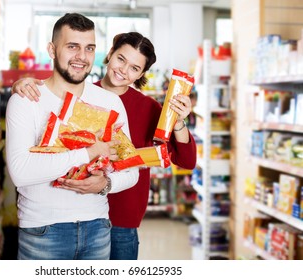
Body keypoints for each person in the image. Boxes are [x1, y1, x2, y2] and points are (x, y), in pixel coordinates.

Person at [12, 32, 197, 260]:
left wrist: (178, 123)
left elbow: (186, 161)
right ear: (110, 54)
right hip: (80, 214)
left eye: (134, 68)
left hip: (122, 220)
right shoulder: (79, 93)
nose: (123, 70)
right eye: (121, 59)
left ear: (141, 74)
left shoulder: (149, 108)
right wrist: (24, 84)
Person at [5, 13, 139, 260]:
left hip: (98, 227)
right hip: (42, 230)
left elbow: (131, 171)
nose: (81, 56)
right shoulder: (26, 100)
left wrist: (106, 185)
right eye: (72, 47)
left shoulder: (110, 102)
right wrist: (88, 153)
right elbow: (20, 172)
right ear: (52, 50)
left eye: (89, 48)